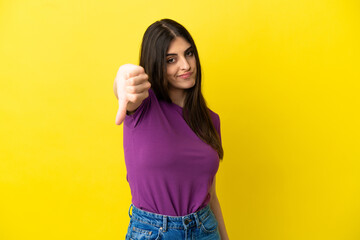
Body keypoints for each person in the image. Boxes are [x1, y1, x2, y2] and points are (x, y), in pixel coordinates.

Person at [113, 19, 229, 240]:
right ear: (156, 64)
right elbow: (124, 85)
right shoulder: (142, 107)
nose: (185, 65)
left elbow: (211, 195)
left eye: (189, 54)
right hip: (153, 232)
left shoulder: (210, 120)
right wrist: (122, 79)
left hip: (205, 229)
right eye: (171, 60)